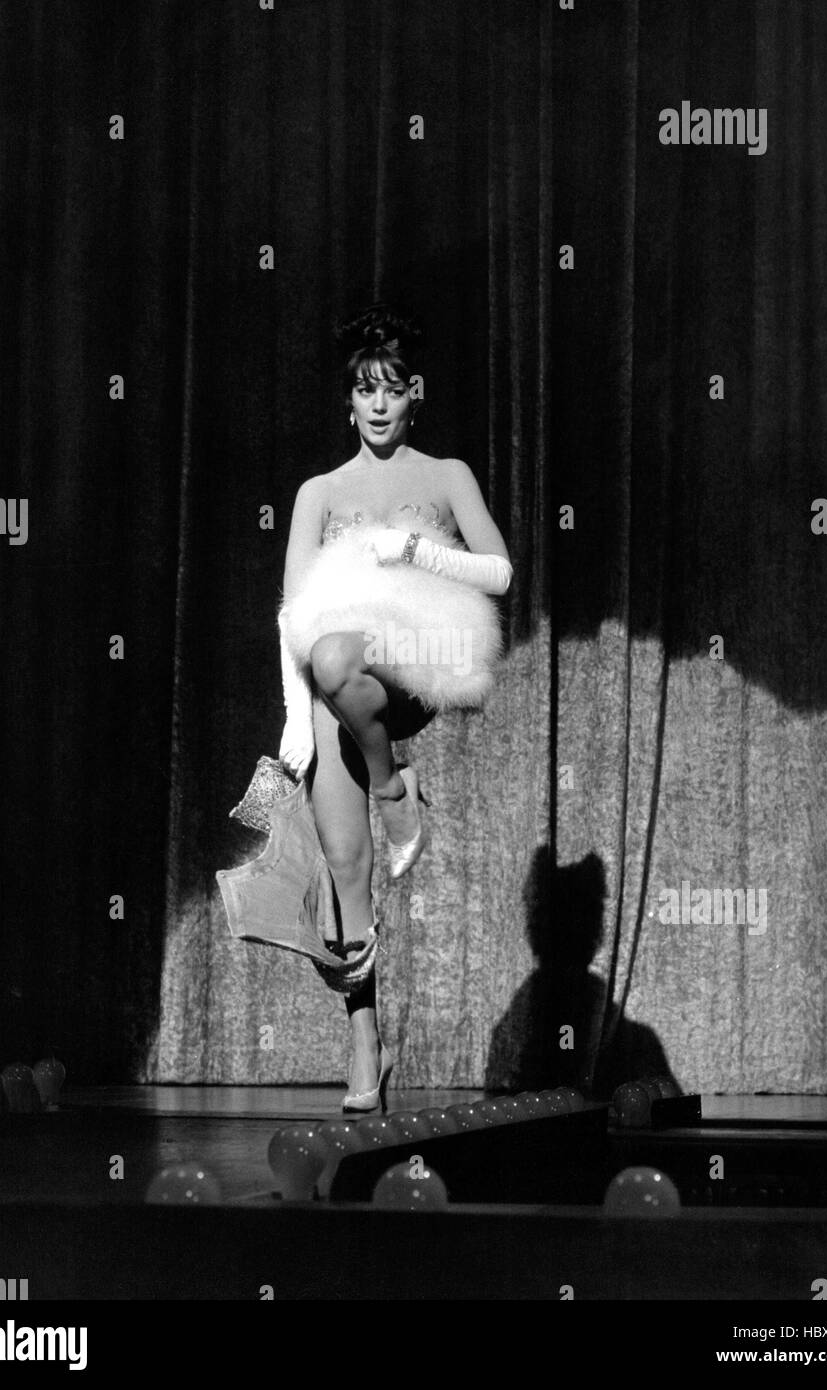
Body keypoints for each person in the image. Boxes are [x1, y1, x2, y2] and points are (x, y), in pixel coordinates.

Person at [276, 304, 513, 1112]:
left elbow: (499, 574)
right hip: (337, 690)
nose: (376, 405)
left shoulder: (444, 475)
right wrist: (290, 722)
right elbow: (292, 617)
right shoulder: (318, 492)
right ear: (348, 401)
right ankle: (363, 1042)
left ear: (415, 395)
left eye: (390, 390)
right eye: (361, 391)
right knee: (346, 867)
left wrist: (413, 550)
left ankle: (390, 782)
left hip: (417, 664)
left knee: (344, 653)